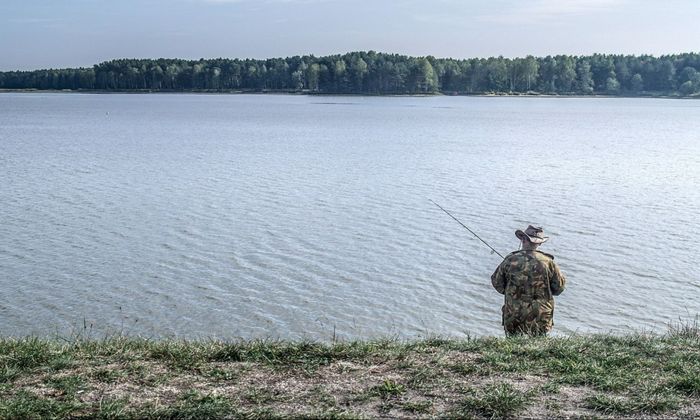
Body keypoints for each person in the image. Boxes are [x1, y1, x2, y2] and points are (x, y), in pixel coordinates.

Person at [491, 225, 566, 336]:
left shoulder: (510, 260)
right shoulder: (549, 262)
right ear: (540, 243)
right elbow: (559, 288)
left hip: (514, 314)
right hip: (541, 315)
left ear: (523, 239)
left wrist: (512, 292)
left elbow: (497, 283)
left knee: (513, 347)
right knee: (539, 347)